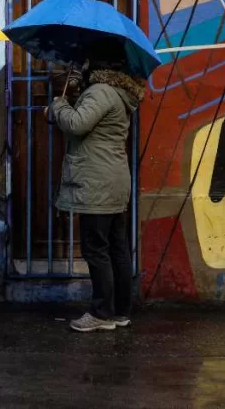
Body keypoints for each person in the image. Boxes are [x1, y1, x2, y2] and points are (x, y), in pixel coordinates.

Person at [47, 56, 145, 333]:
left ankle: (101, 313)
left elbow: (77, 124)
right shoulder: (118, 93)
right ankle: (120, 312)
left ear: (97, 68)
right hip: (112, 180)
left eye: (85, 65)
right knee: (116, 248)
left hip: (96, 182)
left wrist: (59, 104)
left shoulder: (100, 91)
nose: (81, 70)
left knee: (96, 249)